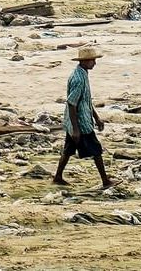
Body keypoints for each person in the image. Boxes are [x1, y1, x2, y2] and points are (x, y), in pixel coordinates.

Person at [52, 45, 115, 188]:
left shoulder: (82, 74)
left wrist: (96, 117)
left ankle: (58, 176)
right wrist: (75, 129)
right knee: (96, 150)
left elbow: (86, 100)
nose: (94, 63)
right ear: (85, 61)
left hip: (79, 119)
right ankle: (105, 181)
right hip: (80, 122)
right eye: (92, 60)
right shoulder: (78, 79)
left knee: (68, 150)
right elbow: (72, 103)